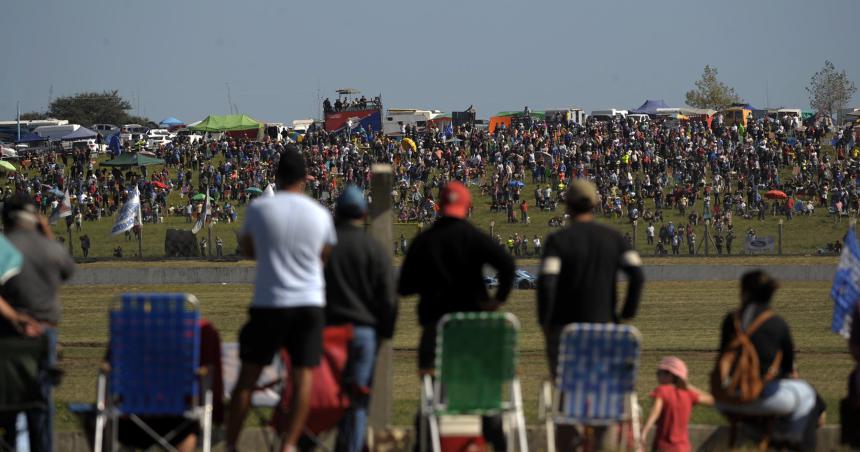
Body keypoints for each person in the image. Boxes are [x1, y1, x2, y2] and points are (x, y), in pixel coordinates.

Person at [227, 146, 337, 452]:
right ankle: (289, 444)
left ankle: (232, 443)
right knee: (303, 379)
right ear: (304, 179)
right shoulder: (320, 214)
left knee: (248, 377)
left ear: (277, 176)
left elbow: (249, 250)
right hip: (307, 304)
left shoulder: (260, 209)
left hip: (269, 303)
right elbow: (326, 255)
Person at [399, 181, 515, 451]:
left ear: (439, 205)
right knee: (484, 396)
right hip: (473, 335)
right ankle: (496, 440)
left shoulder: (425, 240)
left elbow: (404, 287)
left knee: (433, 399)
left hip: (435, 336)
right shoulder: (473, 237)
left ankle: (426, 442)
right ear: (467, 205)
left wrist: (427, 281)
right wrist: (496, 300)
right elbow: (507, 266)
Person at [537, 179, 645, 450]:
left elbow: (547, 283)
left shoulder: (558, 240)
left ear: (567, 206)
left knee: (565, 398)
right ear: (595, 204)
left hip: (567, 333)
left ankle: (569, 441)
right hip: (605, 330)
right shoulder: (613, 238)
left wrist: (546, 322)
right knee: (604, 401)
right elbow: (638, 275)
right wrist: (625, 315)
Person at [0, 193, 76, 452]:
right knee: (41, 406)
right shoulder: (49, 248)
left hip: (8, 334)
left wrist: (17, 318)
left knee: (9, 406)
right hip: (44, 335)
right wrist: (47, 236)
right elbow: (67, 270)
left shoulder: (3, 245)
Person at [324, 186, 397, 452]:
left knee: (328, 397)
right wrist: (385, 333)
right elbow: (389, 297)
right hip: (364, 333)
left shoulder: (326, 249)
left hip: (330, 333)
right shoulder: (374, 249)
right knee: (358, 398)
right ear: (363, 213)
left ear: (337, 213)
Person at [715, 270, 822, 447]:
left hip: (726, 399)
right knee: (807, 393)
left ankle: (755, 431)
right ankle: (793, 437)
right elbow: (789, 368)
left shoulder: (731, 320)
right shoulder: (777, 323)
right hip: (761, 398)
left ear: (745, 292)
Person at [641, 356, 714, 452]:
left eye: (659, 373)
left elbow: (655, 411)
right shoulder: (688, 394)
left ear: (670, 375)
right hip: (683, 448)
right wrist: (688, 386)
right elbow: (712, 400)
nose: (657, 376)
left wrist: (645, 431)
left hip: (663, 447)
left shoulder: (662, 391)